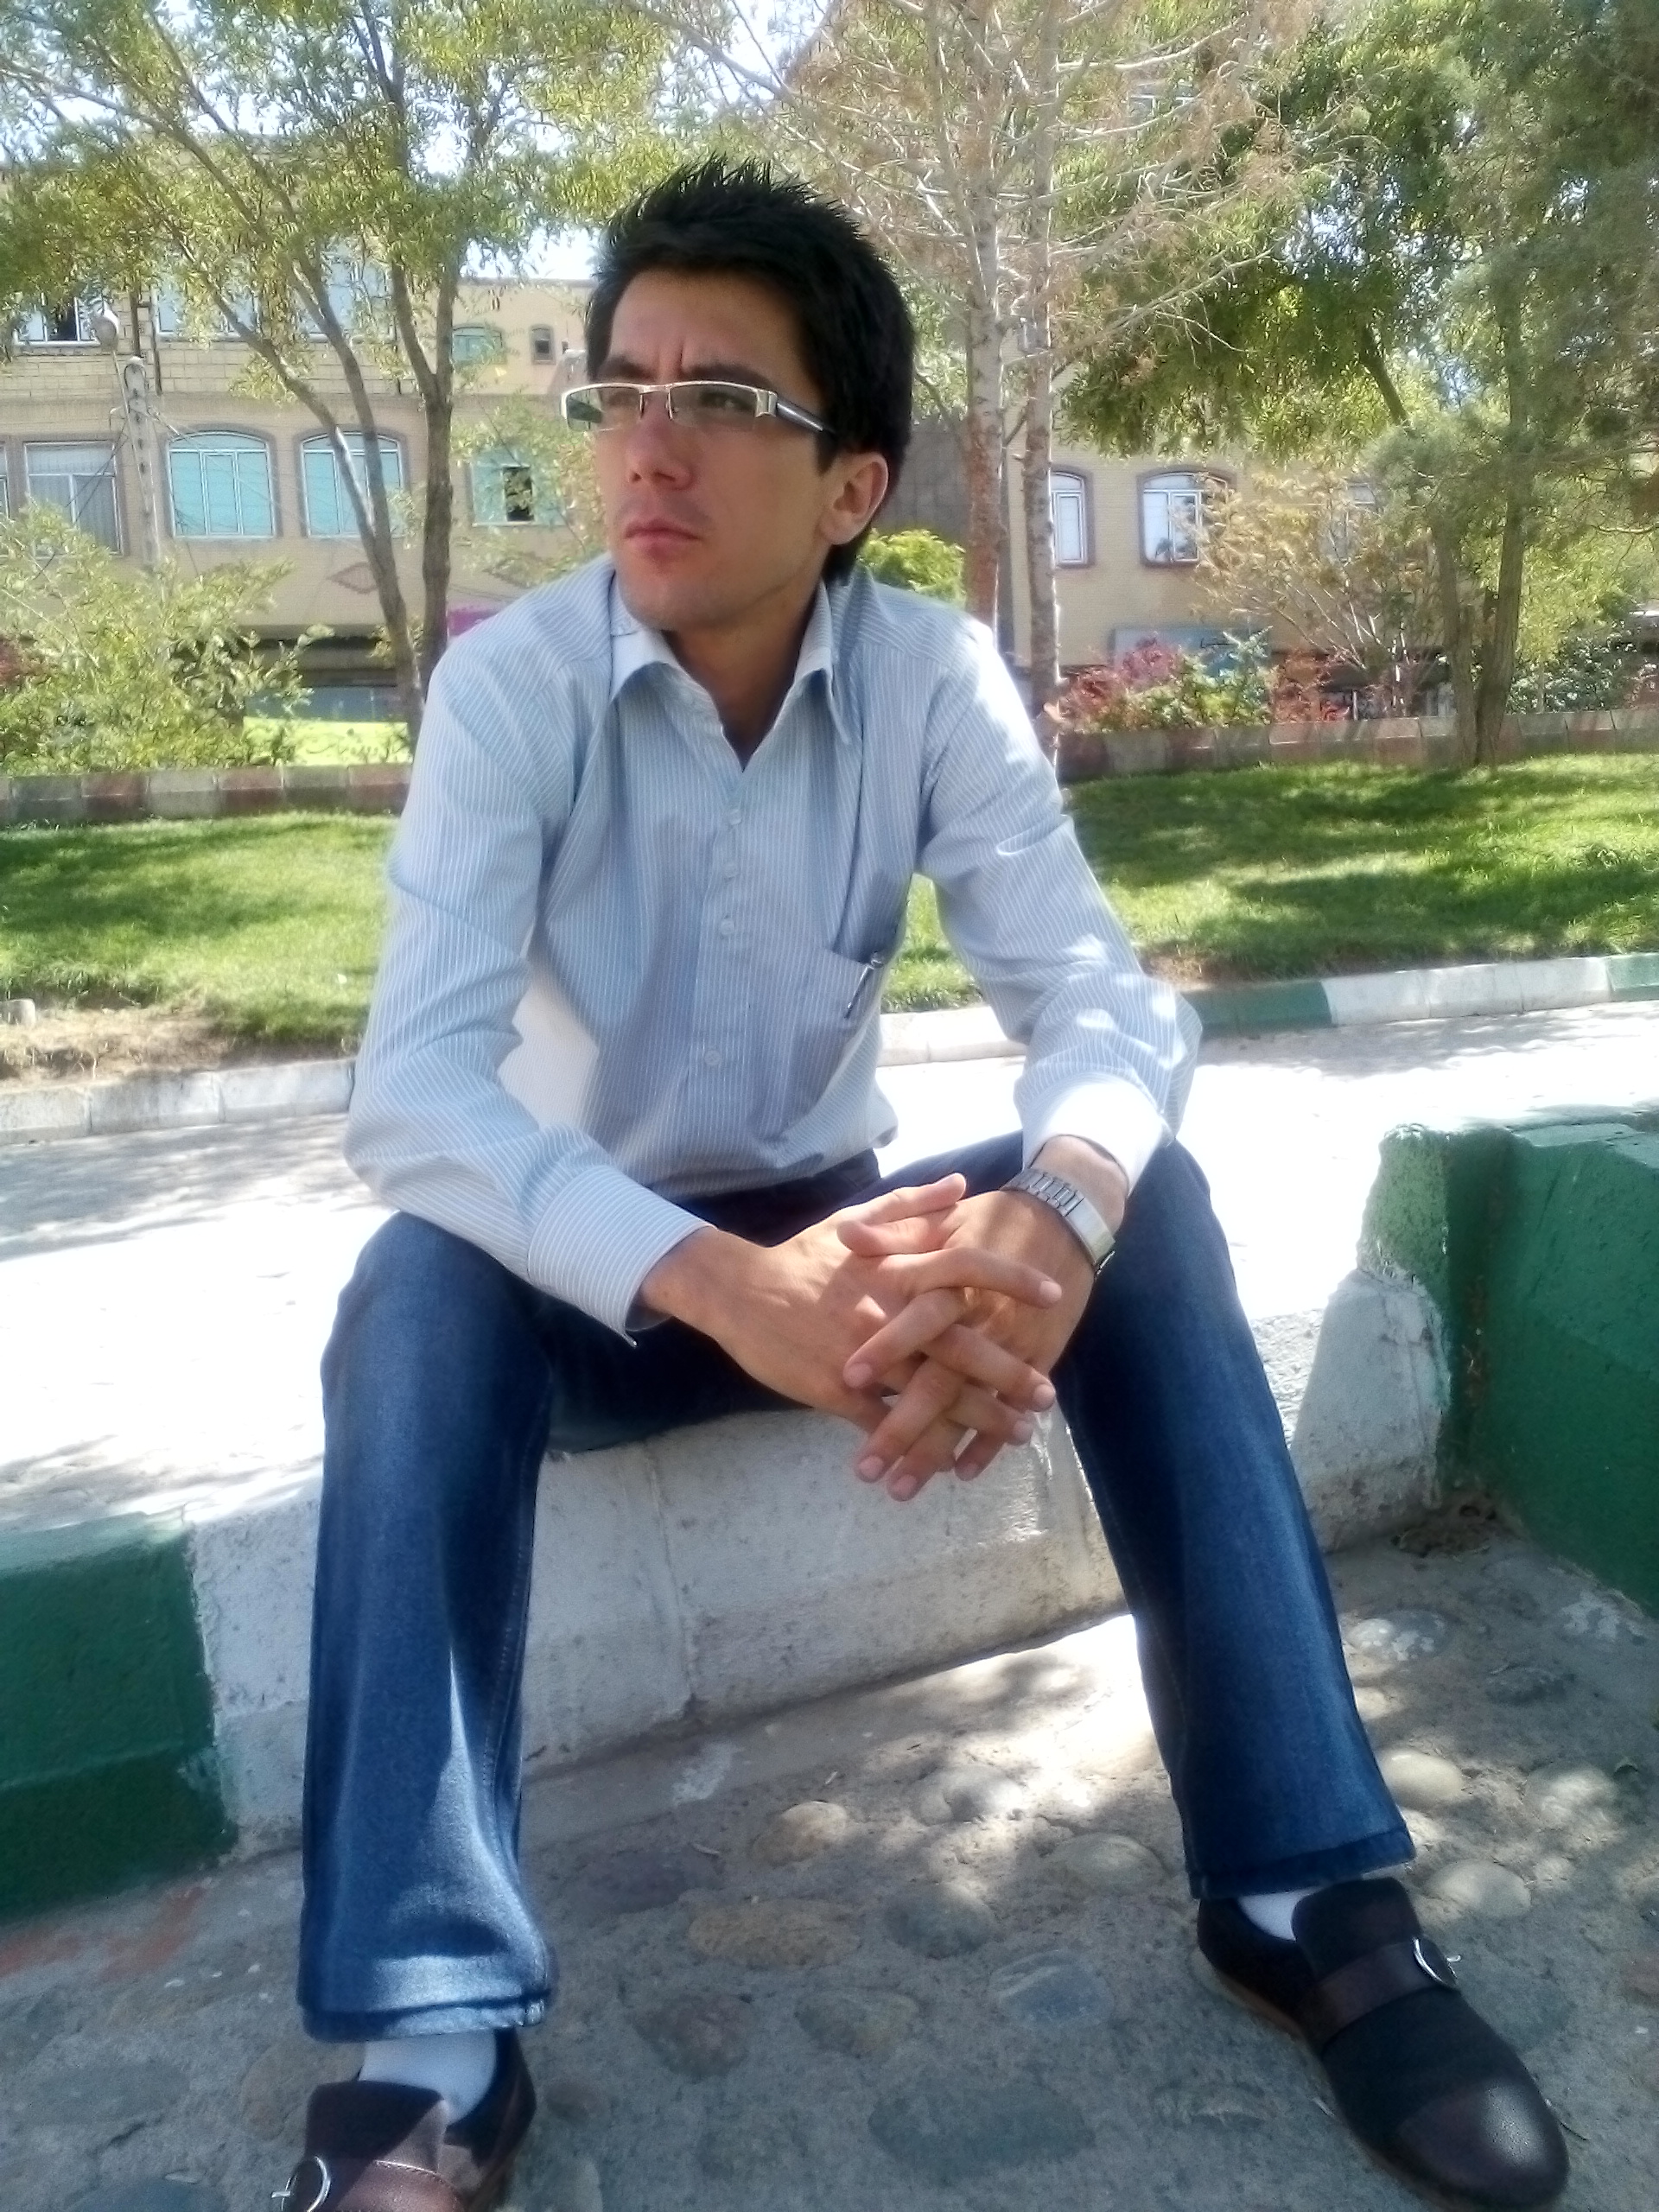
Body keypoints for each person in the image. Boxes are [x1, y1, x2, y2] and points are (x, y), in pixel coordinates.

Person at [278, 159, 1567, 2212]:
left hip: (848, 1239)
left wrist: (1045, 1223)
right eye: (621, 391)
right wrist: (724, 1283)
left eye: (724, 401)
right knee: (406, 1290)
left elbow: (1100, 998)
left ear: (853, 485)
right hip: (585, 1279)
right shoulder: (513, 693)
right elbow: (417, 1091)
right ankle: (432, 2032)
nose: (649, 445)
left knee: (1148, 1201)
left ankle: (1307, 1892)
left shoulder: (931, 677)